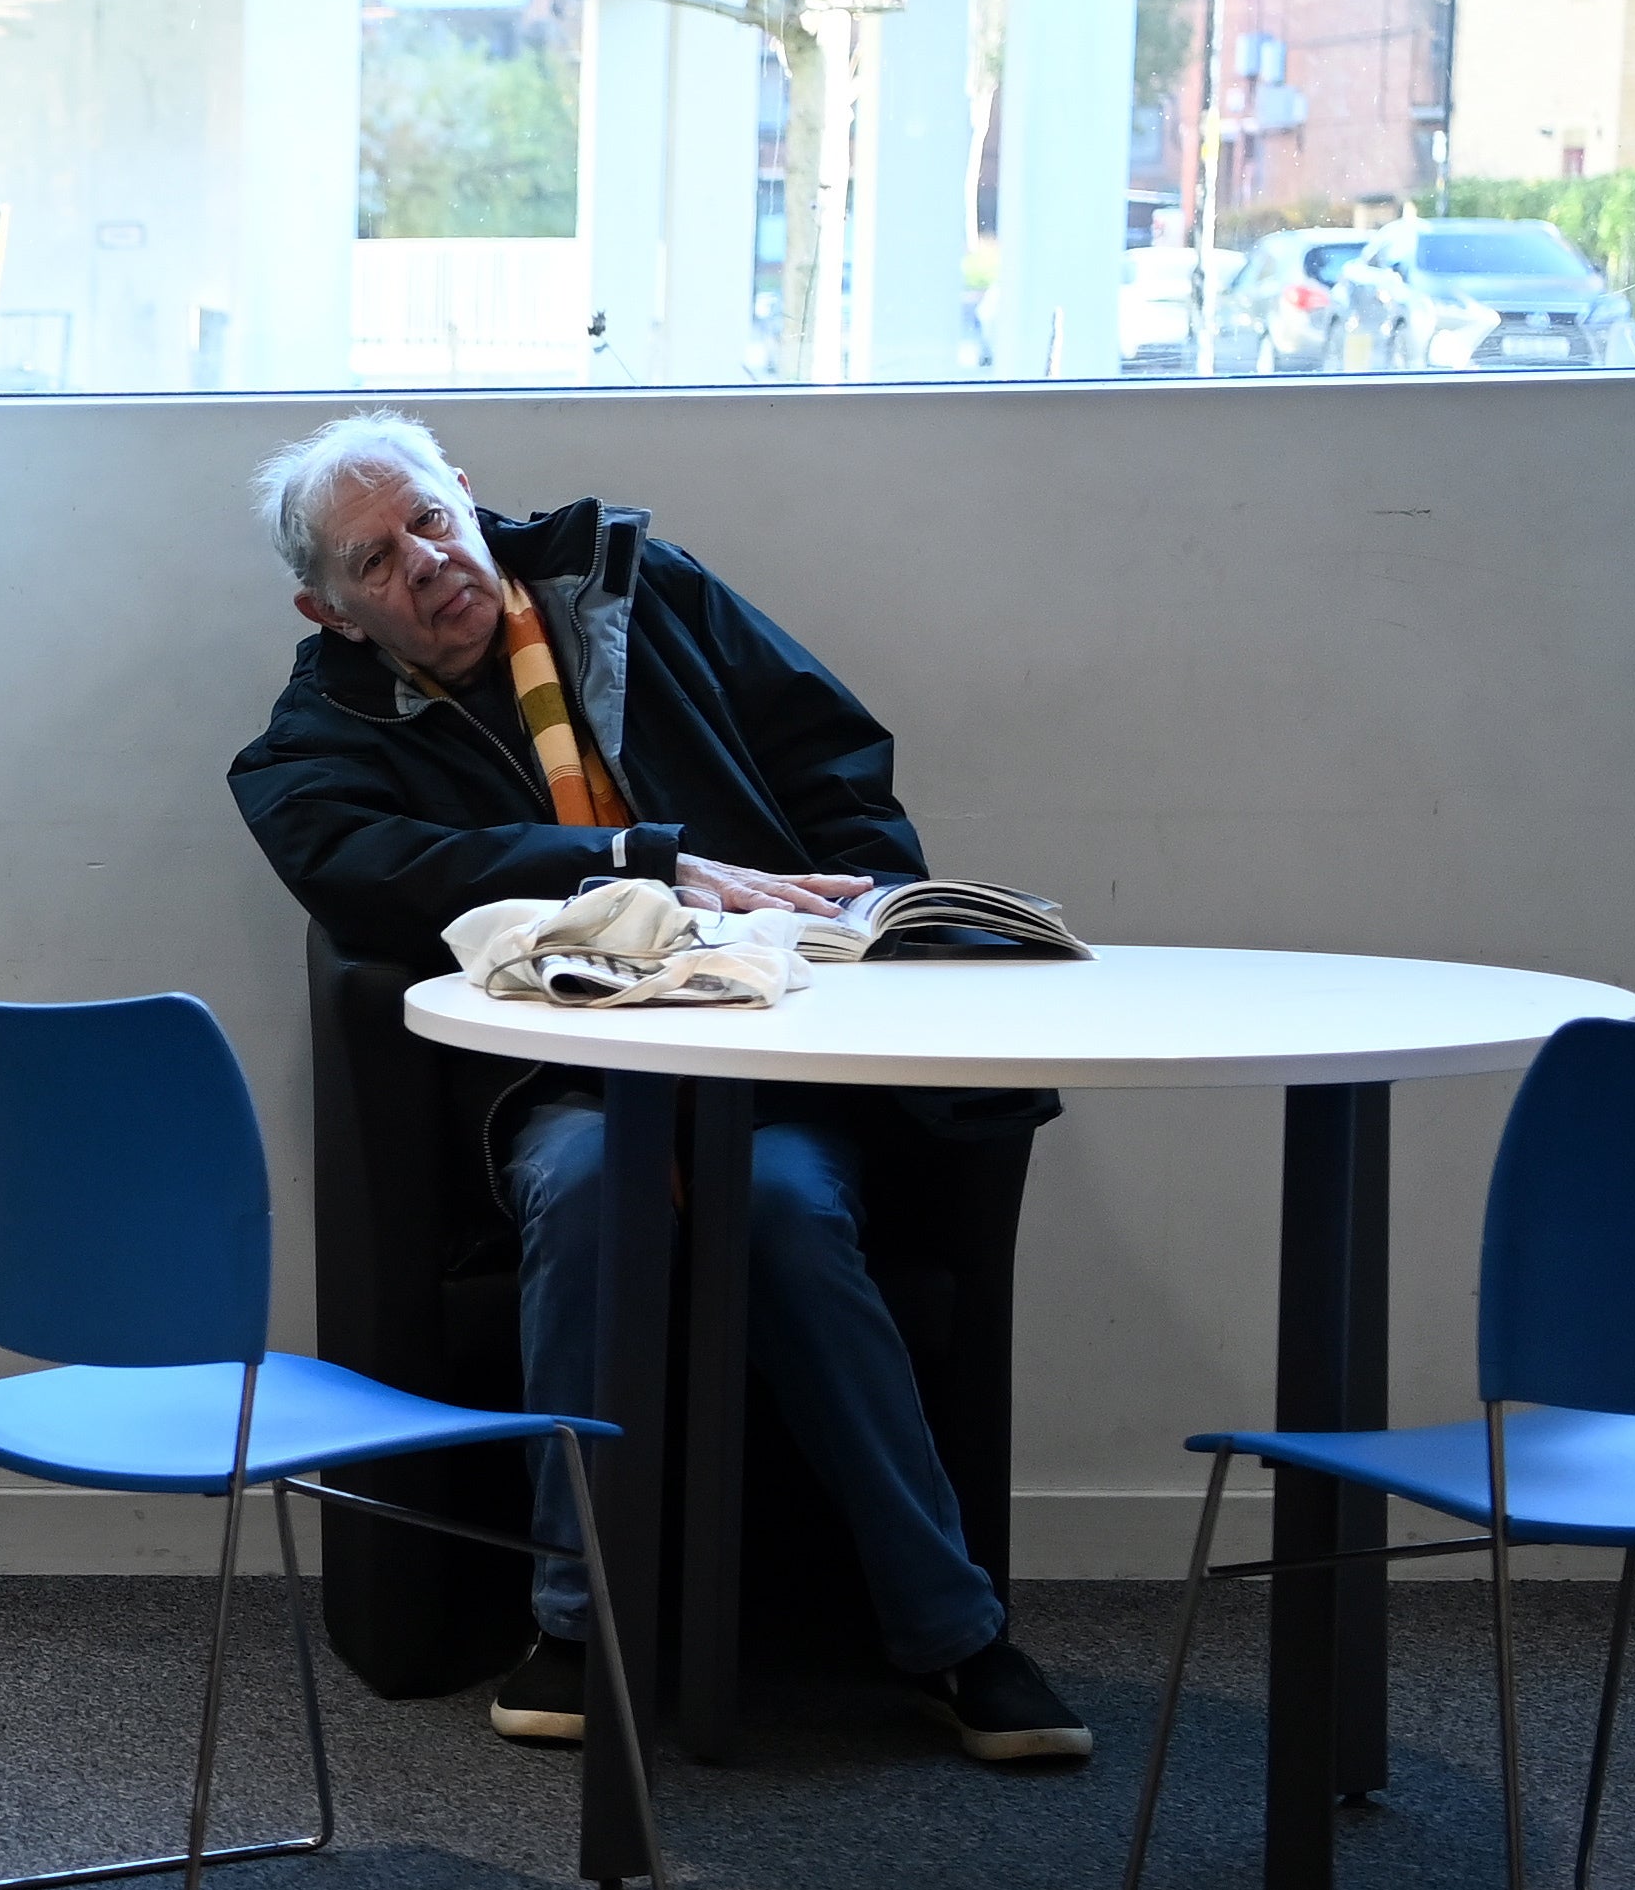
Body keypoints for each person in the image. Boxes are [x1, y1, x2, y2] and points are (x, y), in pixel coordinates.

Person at [222, 410, 1087, 1764]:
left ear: (472, 499)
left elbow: (832, 755)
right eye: (378, 560)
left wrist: (853, 919)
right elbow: (345, 860)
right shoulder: (315, 739)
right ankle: (577, 1620)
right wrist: (630, 863)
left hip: (771, 1052)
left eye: (433, 519)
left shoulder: (636, 585)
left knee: (787, 1211)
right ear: (327, 610)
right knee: (590, 1188)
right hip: (563, 1079)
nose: (428, 562)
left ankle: (952, 1632)